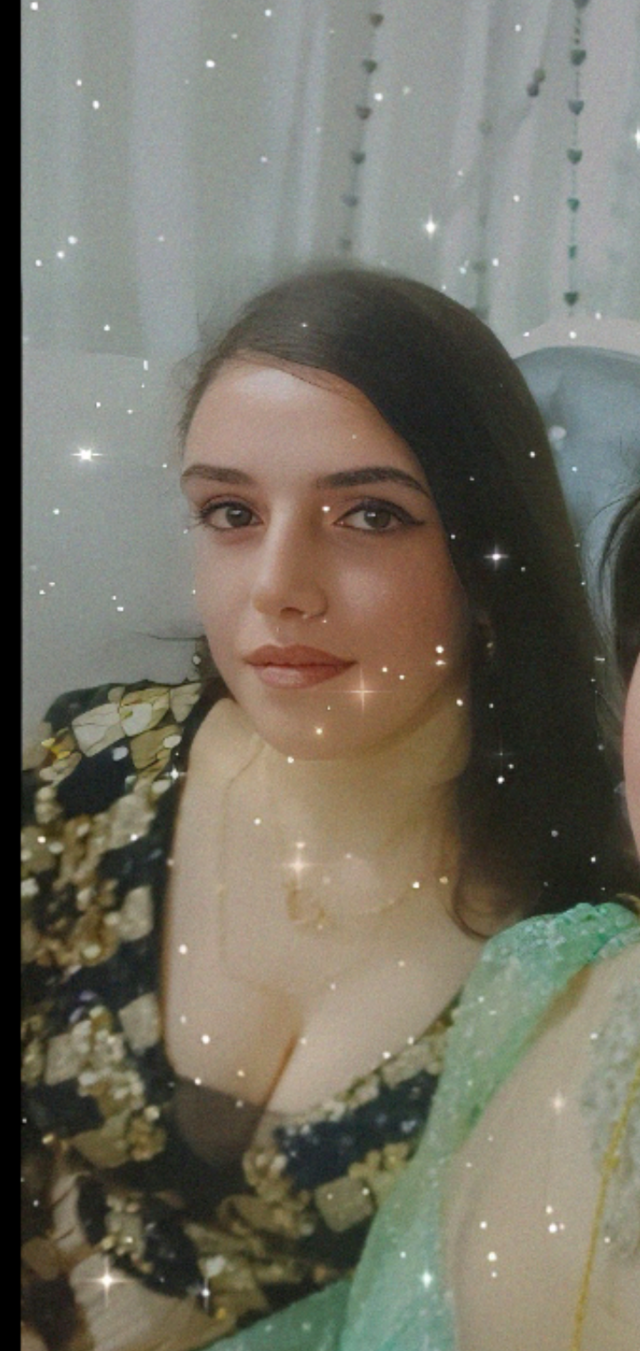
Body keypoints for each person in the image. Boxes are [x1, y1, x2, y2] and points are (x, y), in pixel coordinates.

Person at [21, 266, 639, 1351]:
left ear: (489, 552)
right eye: (230, 512)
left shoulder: (568, 938)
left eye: (368, 515)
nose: (278, 585)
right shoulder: (97, 769)